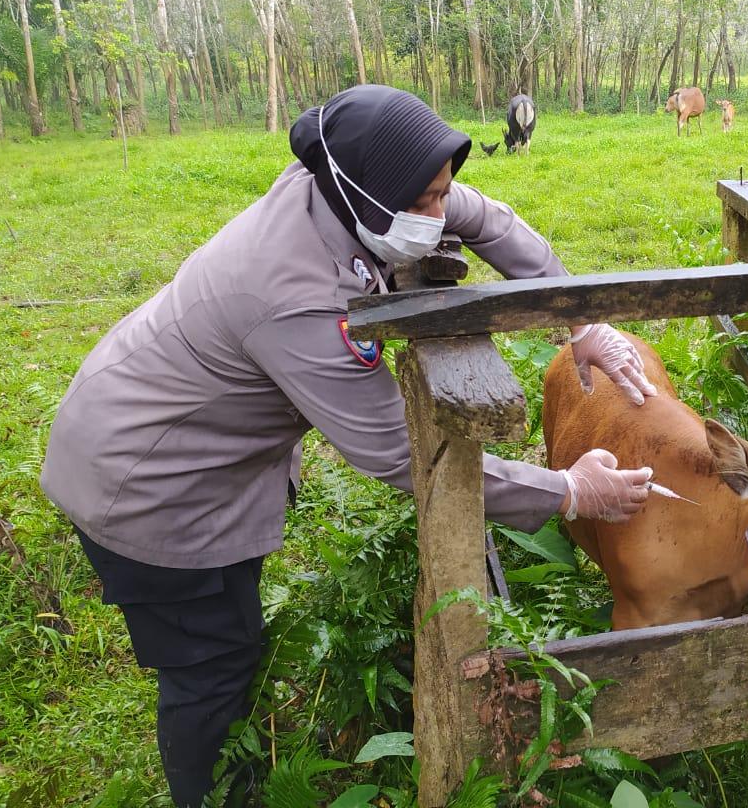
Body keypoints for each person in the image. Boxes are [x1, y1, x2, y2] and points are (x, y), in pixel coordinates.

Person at [40, 84, 658, 807]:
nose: (438, 213)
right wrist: (569, 491)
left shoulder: (352, 188)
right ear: (368, 193)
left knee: (228, 639)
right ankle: (208, 792)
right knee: (208, 665)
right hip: (148, 480)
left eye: (440, 192)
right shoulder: (296, 294)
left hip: (170, 425)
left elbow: (485, 217)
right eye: (424, 200)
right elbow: (399, 456)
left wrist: (576, 316)